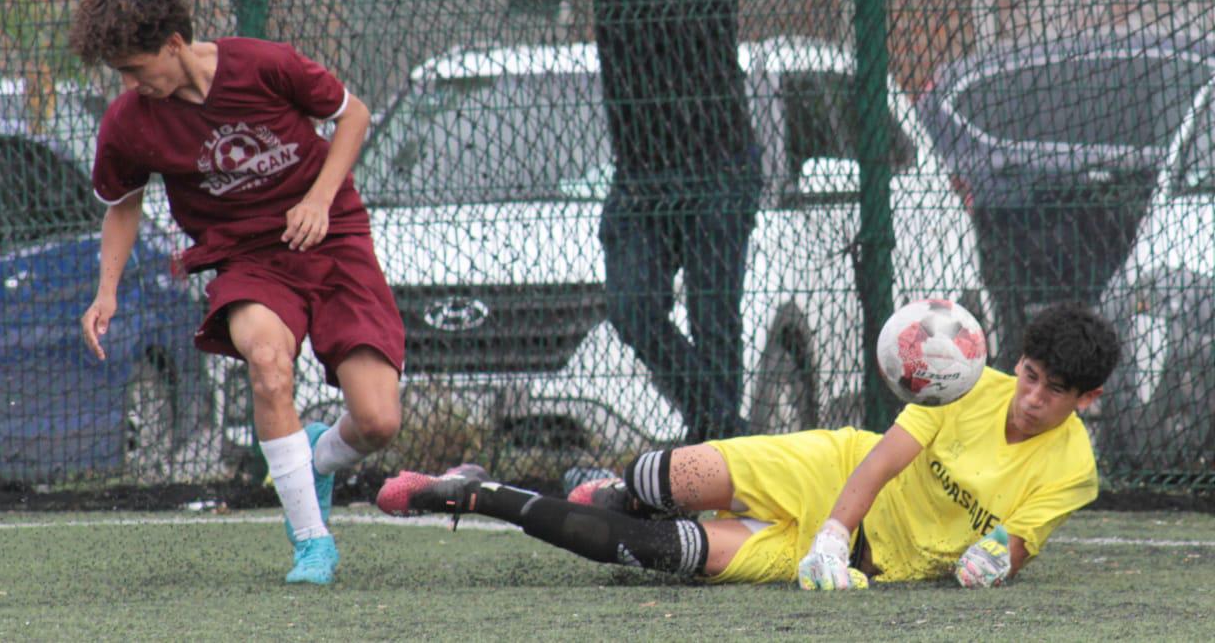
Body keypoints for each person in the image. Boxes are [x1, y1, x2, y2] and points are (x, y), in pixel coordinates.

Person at [382, 0, 763, 443]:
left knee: (714, 317)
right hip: (643, 176)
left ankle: (716, 447)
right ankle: (724, 429)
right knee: (632, 309)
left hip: (719, 168)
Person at [375, 301, 1119, 589]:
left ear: (1086, 399)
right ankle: (613, 484)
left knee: (652, 551)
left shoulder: (1075, 469)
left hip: (874, 561)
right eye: (1028, 374)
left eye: (1052, 390)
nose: (1029, 395)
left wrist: (991, 562)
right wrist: (833, 529)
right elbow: (885, 457)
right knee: (666, 474)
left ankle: (472, 491)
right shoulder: (962, 383)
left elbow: (1017, 539)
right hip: (833, 472)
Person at [70, 0, 405, 586]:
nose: (130, 84)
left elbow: (352, 115)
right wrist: (106, 291)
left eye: (136, 67)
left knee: (380, 422)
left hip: (333, 239)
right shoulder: (129, 122)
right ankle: (312, 544)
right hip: (248, 260)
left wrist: (320, 200)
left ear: (174, 43)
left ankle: (317, 458)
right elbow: (123, 201)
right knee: (268, 364)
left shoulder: (263, 65)